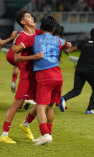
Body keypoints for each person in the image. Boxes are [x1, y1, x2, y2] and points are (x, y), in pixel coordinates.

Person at [0, 9, 43, 144]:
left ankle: (25, 125)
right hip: (27, 76)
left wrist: (64, 44)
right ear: (23, 22)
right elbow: (16, 57)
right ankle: (4, 135)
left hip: (38, 74)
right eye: (29, 17)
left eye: (32, 16)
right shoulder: (22, 36)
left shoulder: (38, 32)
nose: (32, 18)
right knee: (17, 104)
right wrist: (33, 56)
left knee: (43, 103)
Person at [32, 16, 71, 145]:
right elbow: (65, 46)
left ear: (41, 27)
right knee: (49, 107)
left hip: (45, 76)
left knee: (40, 107)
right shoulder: (60, 40)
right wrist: (66, 45)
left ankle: (45, 134)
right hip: (58, 76)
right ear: (54, 29)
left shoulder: (35, 39)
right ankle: (48, 134)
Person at [60, 27, 94, 114]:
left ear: (90, 34)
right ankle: (89, 109)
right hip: (89, 69)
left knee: (77, 90)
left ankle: (63, 98)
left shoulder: (84, 42)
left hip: (79, 68)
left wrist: (67, 50)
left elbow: (74, 48)